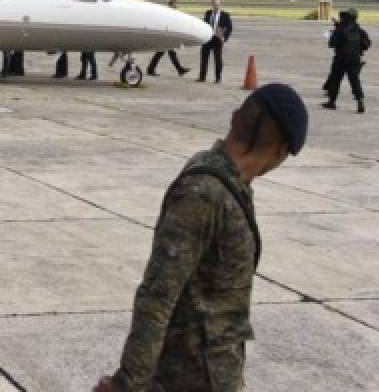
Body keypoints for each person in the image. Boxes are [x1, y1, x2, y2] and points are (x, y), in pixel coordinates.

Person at [93, 83, 309, 392]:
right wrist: (128, 383)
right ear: (282, 150)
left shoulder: (230, 182)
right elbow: (158, 294)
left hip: (216, 370)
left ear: (235, 118)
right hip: (192, 375)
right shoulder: (205, 193)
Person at [322, 8, 370, 113]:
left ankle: (331, 102)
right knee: (355, 81)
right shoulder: (360, 30)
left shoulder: (340, 29)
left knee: (335, 80)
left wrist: (335, 32)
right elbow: (367, 45)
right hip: (355, 58)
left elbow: (331, 44)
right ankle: (360, 101)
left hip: (341, 58)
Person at [148, 1, 191, 77]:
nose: (176, 7)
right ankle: (180, 70)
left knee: (163, 53)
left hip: (168, 37)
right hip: (165, 37)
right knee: (164, 53)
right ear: (170, 6)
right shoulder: (166, 15)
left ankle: (151, 69)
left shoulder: (173, 14)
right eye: (174, 6)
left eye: (176, 6)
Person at [198, 0, 233, 83]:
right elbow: (204, 25)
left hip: (218, 39)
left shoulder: (225, 15)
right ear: (212, 5)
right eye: (214, 4)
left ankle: (218, 78)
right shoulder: (208, 13)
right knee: (204, 58)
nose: (216, 6)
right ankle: (202, 77)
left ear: (220, 5)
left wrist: (224, 38)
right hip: (207, 38)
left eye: (217, 4)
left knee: (218, 59)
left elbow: (229, 27)